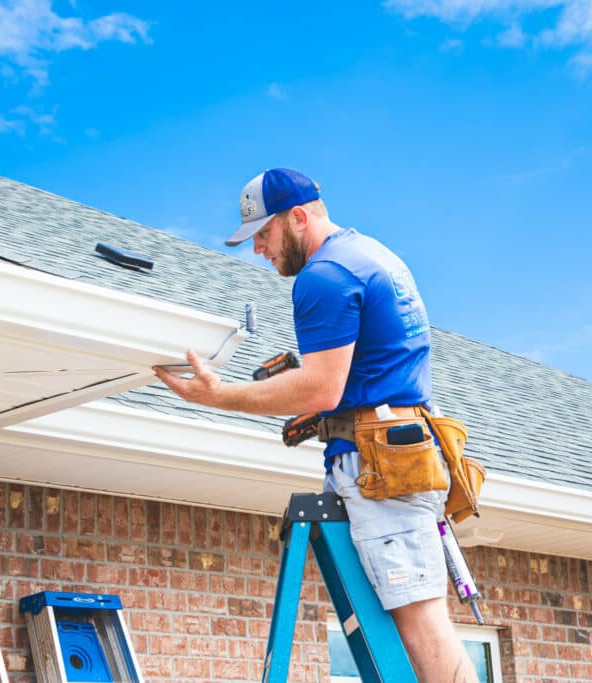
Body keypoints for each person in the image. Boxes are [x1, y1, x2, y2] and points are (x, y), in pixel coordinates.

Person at [153, 168, 478, 682]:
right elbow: (362, 375)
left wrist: (220, 396)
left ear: (298, 217)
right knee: (407, 625)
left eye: (264, 234)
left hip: (380, 467)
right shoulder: (373, 255)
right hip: (397, 449)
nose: (259, 249)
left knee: (422, 625)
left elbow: (323, 386)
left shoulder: (324, 276)